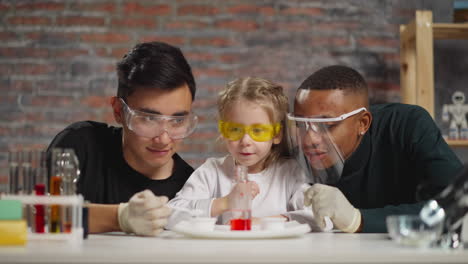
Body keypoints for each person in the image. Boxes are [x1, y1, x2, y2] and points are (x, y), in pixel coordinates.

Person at [47, 41, 198, 236]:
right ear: (119, 111)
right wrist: (121, 217)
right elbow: (35, 213)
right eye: (149, 118)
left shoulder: (191, 188)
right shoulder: (79, 146)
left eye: (177, 120)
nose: (163, 138)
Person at [288, 65, 463, 233]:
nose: (309, 140)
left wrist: (357, 219)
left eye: (326, 125)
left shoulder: (407, 125)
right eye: (300, 124)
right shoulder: (295, 160)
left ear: (362, 123)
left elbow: (458, 204)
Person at [168, 77, 325, 230]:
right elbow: (170, 216)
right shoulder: (212, 172)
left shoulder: (289, 173)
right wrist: (225, 203)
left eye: (258, 130)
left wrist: (264, 222)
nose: (245, 141)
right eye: (235, 130)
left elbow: (320, 218)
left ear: (276, 135)